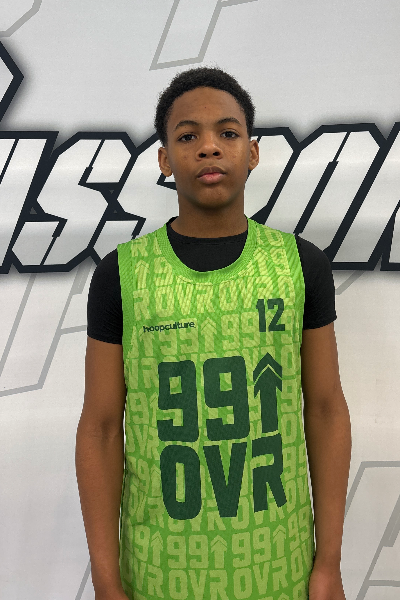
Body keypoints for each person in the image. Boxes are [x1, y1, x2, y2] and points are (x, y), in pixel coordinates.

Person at [75, 67, 351, 600]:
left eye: (227, 132)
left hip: (280, 570)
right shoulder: (121, 275)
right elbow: (102, 428)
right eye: (187, 136)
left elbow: (325, 410)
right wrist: (107, 581)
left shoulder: (300, 265)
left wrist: (329, 562)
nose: (208, 147)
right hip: (157, 573)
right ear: (163, 159)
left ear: (252, 152)